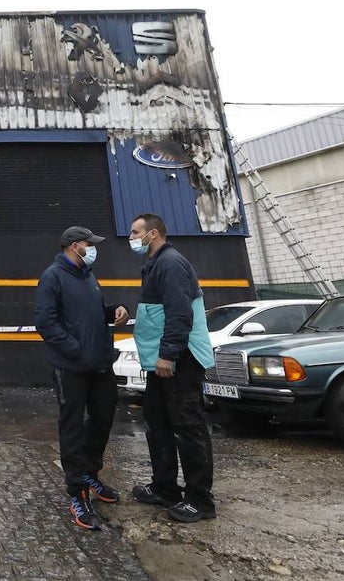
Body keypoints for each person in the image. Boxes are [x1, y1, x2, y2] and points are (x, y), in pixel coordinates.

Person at [35, 226, 130, 530]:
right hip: (71, 366)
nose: (94, 249)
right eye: (90, 245)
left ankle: (90, 473)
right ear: (75, 246)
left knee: (102, 418)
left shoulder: (88, 275)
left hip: (99, 364)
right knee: (73, 427)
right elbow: (45, 322)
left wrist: (113, 311)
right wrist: (74, 349)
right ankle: (77, 491)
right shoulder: (53, 276)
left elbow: (92, 312)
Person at [128, 212, 217, 522]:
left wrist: (169, 354)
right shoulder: (153, 265)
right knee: (159, 423)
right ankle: (165, 488)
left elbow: (180, 312)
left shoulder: (170, 263)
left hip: (181, 359)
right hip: (161, 362)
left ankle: (200, 500)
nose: (132, 237)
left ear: (153, 234)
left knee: (188, 427)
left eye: (136, 231)